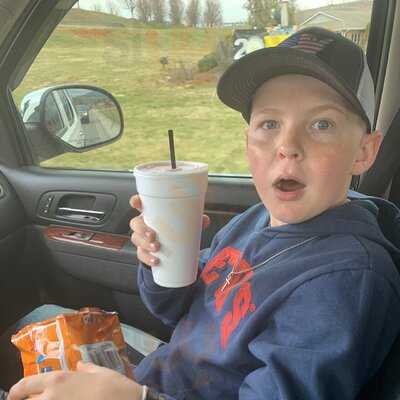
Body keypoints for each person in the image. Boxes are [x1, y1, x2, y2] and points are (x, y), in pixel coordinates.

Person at [7, 27, 400, 400]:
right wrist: (161, 259)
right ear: (248, 141)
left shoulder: (344, 282)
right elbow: (176, 311)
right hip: (166, 374)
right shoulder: (256, 219)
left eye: (321, 123)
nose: (287, 145)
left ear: (364, 151)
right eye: (269, 123)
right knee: (37, 319)